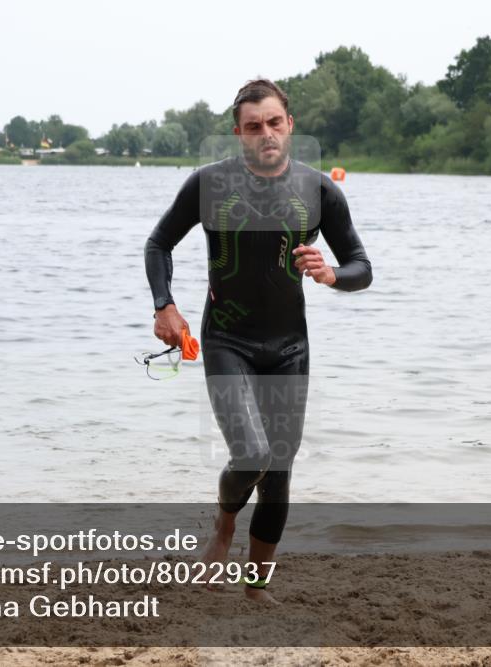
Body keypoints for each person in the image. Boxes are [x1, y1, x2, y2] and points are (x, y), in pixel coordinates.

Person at [144, 78, 372, 604]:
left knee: (280, 470)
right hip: (227, 340)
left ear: (289, 125)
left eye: (274, 122)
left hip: (289, 346)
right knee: (250, 456)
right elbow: (159, 243)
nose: (265, 133)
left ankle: (256, 585)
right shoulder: (209, 185)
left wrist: (332, 274)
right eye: (253, 126)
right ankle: (223, 528)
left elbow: (363, 266)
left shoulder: (319, 190)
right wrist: (165, 304)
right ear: (238, 133)